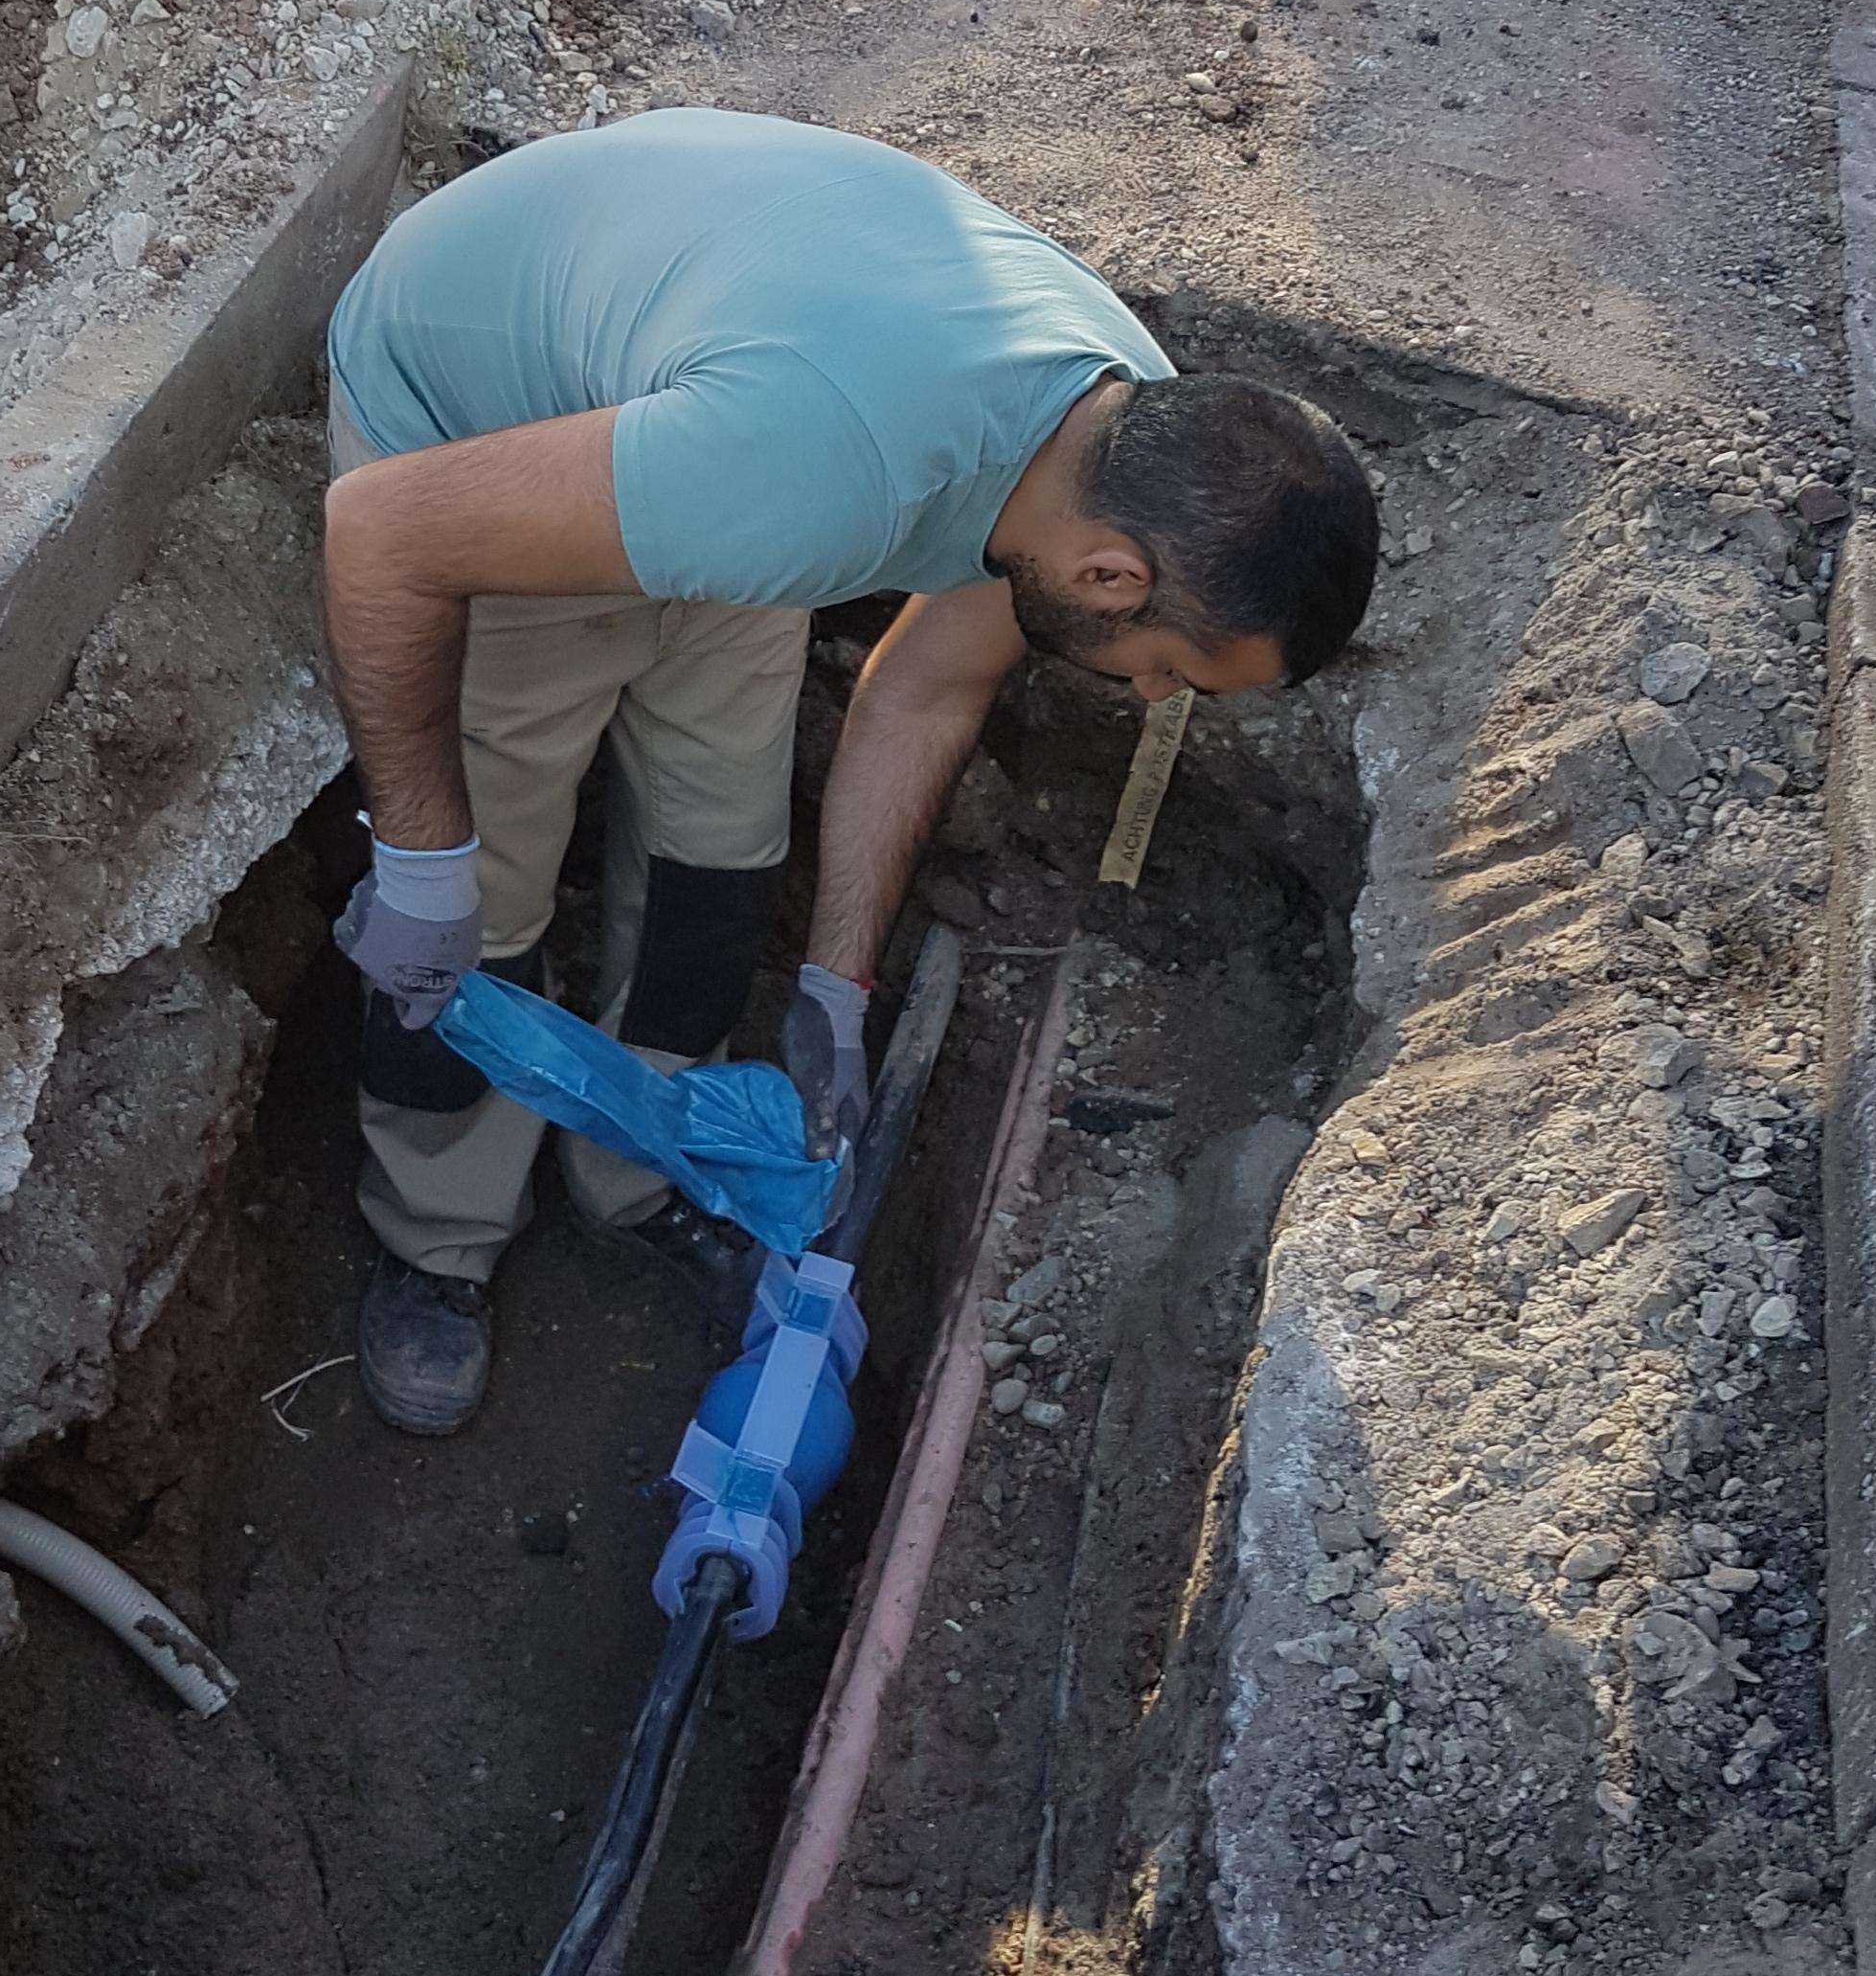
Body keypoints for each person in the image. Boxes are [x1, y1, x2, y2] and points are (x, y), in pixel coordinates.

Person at [319, 106, 1379, 1433]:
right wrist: (419, 861)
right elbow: (380, 536)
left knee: (717, 871)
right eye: (1173, 670)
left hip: (708, 437)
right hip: (483, 447)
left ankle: (637, 1178)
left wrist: (835, 981)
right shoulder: (817, 473)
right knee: (483, 911)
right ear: (1113, 578)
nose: (1155, 699)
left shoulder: (1118, 452)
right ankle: (438, 1237)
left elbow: (929, 682)